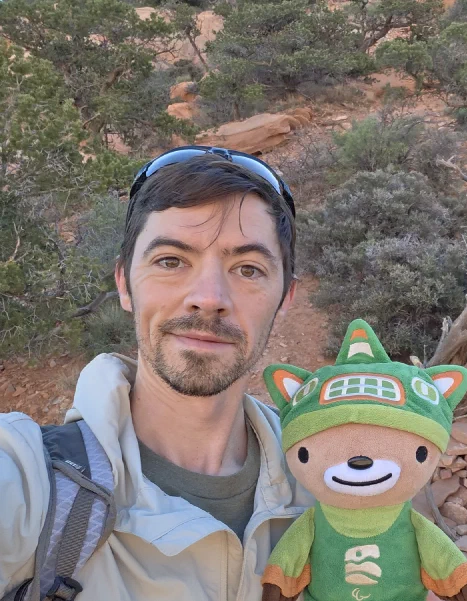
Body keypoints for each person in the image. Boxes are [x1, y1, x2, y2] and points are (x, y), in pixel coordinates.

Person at [0, 147, 313, 600]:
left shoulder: (331, 481)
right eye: (171, 261)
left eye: (248, 269)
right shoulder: (29, 483)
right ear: (124, 283)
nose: (209, 297)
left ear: (285, 298)